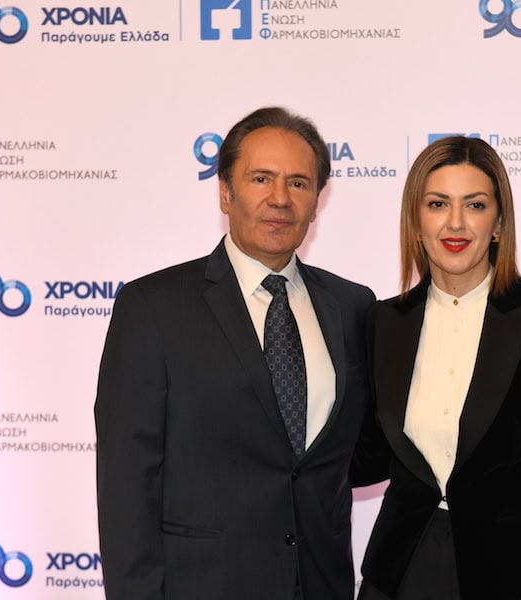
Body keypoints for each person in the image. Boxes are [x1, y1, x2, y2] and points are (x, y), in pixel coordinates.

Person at [94, 106, 375, 600]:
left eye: (298, 183)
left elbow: (359, 454)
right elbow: (127, 484)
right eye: (261, 178)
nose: (280, 198)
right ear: (225, 192)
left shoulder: (353, 306)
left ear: (317, 201)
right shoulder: (153, 307)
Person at [353, 136, 521, 600]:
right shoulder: (383, 322)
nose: (455, 222)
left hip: (514, 575)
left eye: (475, 204)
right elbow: (363, 455)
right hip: (402, 570)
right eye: (437, 204)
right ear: (416, 222)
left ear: (498, 222)